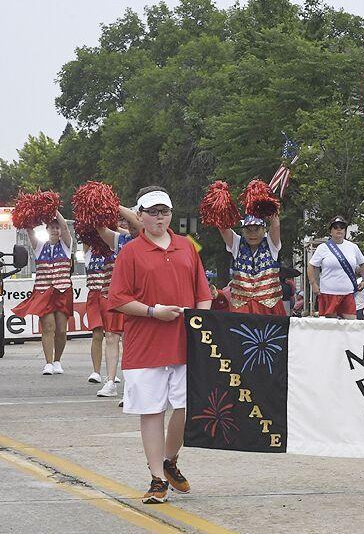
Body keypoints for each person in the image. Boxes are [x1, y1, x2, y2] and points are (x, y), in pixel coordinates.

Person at [108, 186, 212, 504]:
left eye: (164, 211)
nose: (159, 217)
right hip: (145, 346)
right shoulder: (131, 252)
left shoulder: (186, 248)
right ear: (139, 216)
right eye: (152, 212)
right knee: (152, 412)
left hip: (182, 344)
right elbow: (119, 299)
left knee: (184, 408)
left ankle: (169, 461)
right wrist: (154, 312)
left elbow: (203, 295)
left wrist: (198, 322)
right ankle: (156, 478)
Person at [87, 206, 142, 397]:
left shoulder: (146, 238)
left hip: (137, 299)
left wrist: (113, 204)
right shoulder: (121, 240)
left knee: (130, 340)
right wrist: (97, 204)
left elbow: (138, 223)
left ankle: (131, 385)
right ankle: (110, 382)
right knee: (111, 337)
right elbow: (101, 230)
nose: (127, 223)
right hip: (114, 296)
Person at [12, 209, 73, 375]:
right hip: (43, 291)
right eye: (52, 227)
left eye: (57, 227)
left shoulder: (67, 245)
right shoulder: (39, 247)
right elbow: (29, 230)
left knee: (61, 330)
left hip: (62, 291)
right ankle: (48, 363)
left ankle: (57, 360)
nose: (55, 229)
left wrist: (54, 209)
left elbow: (66, 228)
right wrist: (29, 212)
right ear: (46, 229)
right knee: (48, 327)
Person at [217, 214, 284, 315]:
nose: (253, 234)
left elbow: (275, 225)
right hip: (241, 306)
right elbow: (223, 228)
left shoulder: (271, 244)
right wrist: (221, 206)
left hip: (269, 305)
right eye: (248, 230)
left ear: (264, 229)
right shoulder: (237, 243)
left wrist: (271, 209)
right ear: (243, 231)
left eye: (257, 229)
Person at [309, 216, 364, 319]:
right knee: (330, 328)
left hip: (348, 293)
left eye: (342, 227)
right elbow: (311, 266)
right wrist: (313, 284)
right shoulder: (323, 248)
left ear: (345, 231)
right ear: (330, 231)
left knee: (351, 326)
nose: (339, 230)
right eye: (335, 227)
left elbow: (363, 264)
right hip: (328, 293)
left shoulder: (353, 247)